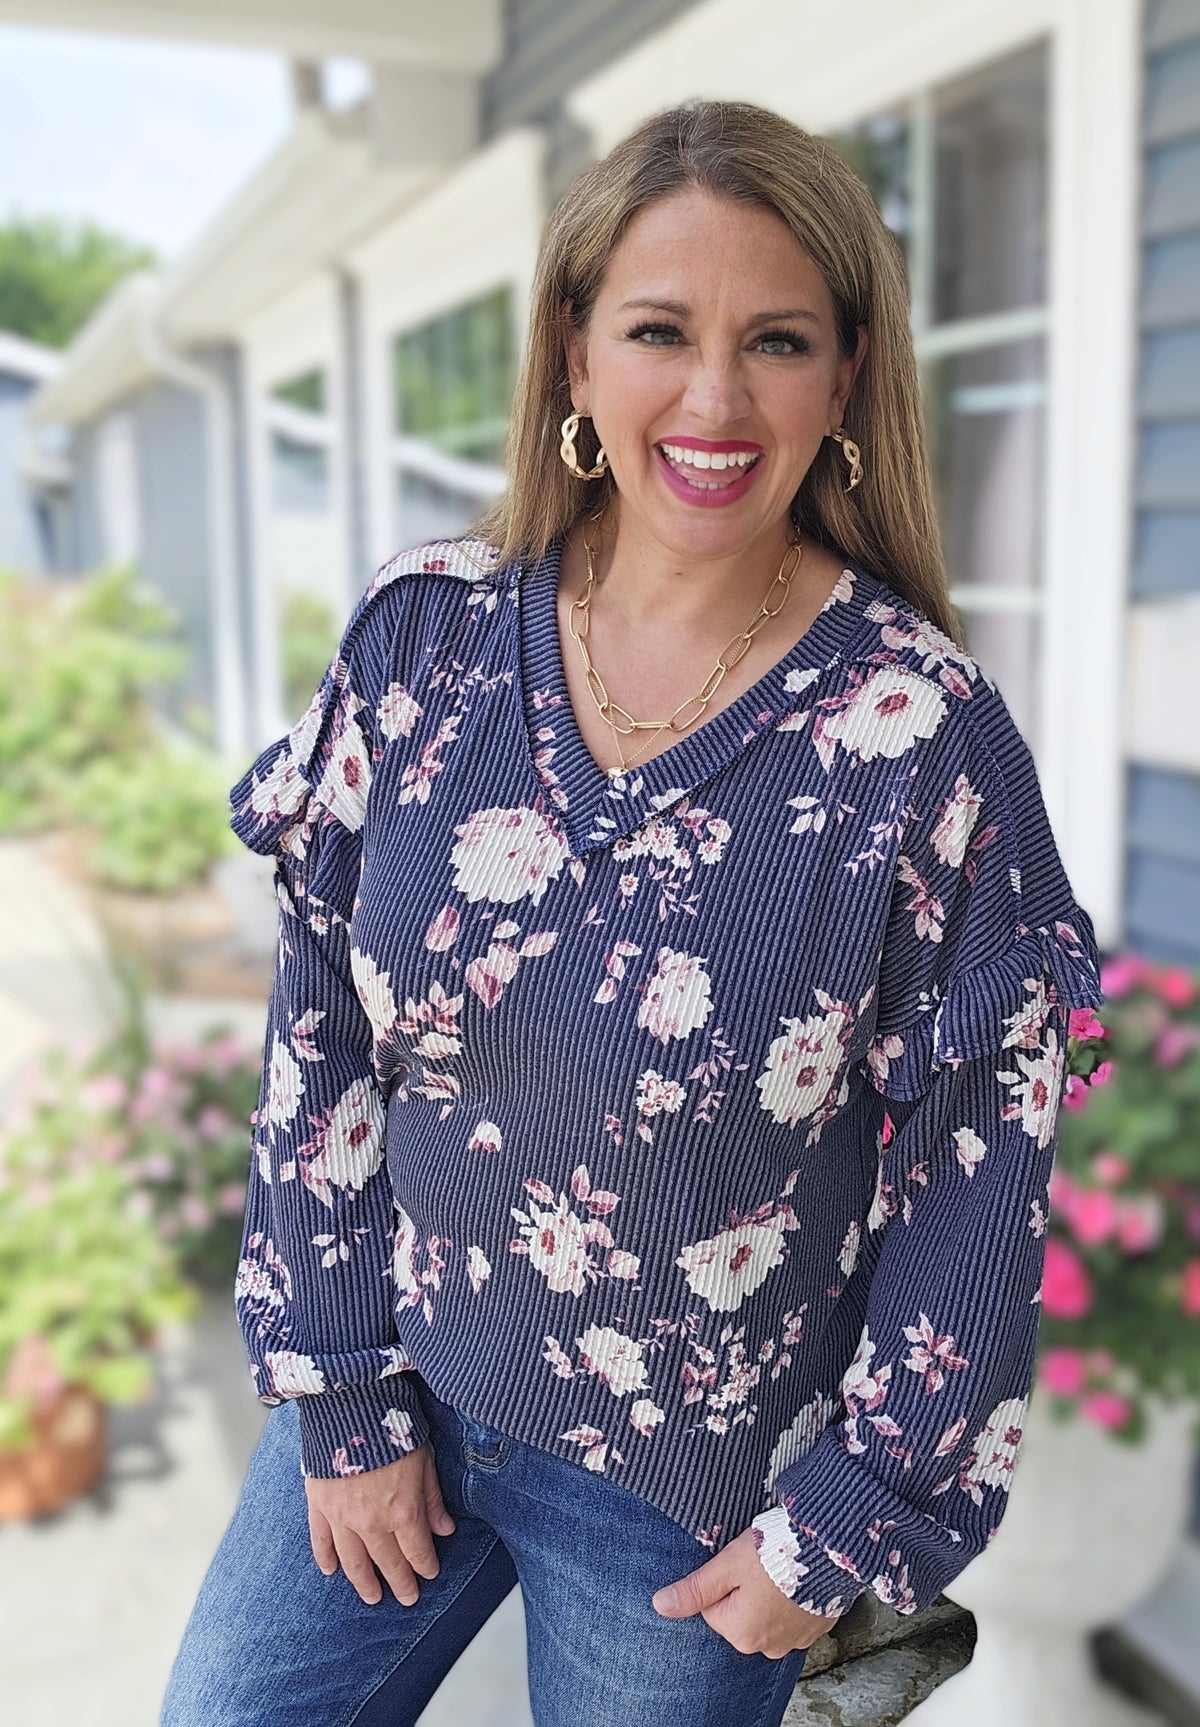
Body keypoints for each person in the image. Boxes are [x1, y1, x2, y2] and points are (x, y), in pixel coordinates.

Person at [161, 98, 1103, 1727]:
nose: (716, 400)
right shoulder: (425, 639)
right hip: (405, 1382)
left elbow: (980, 1163)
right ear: (574, 357)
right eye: (660, 331)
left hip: (687, 1510)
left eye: (778, 341)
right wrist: (341, 1389)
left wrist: (847, 1518)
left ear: (847, 379)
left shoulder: (921, 736)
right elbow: (322, 1026)